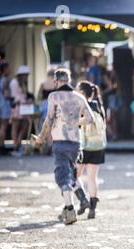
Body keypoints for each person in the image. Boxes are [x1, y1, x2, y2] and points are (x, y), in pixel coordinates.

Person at [34, 69, 95, 225]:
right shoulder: (79, 97)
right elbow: (90, 118)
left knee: (63, 178)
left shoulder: (54, 96)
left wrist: (41, 137)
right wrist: (75, 122)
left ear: (57, 81)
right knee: (71, 175)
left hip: (60, 141)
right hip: (76, 143)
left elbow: (48, 120)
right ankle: (76, 203)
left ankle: (69, 210)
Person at [75, 81, 107, 219]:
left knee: (74, 175)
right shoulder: (99, 106)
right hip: (98, 146)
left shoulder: (83, 106)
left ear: (82, 92)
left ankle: (83, 200)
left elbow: (82, 123)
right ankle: (92, 209)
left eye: (77, 90)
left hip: (85, 146)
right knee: (92, 178)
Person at [9, 65, 30, 156]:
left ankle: (18, 143)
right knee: (16, 126)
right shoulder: (14, 82)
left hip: (21, 108)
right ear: (21, 75)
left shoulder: (22, 83)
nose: (27, 77)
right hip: (16, 108)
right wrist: (25, 100)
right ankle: (16, 145)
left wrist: (26, 100)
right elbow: (15, 97)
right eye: (25, 75)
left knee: (25, 124)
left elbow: (21, 95)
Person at [0, 61, 12, 155]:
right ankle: (1, 146)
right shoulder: (5, 80)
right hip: (4, 105)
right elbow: (6, 94)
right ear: (4, 69)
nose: (10, 70)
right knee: (3, 127)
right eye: (9, 68)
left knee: (1, 126)